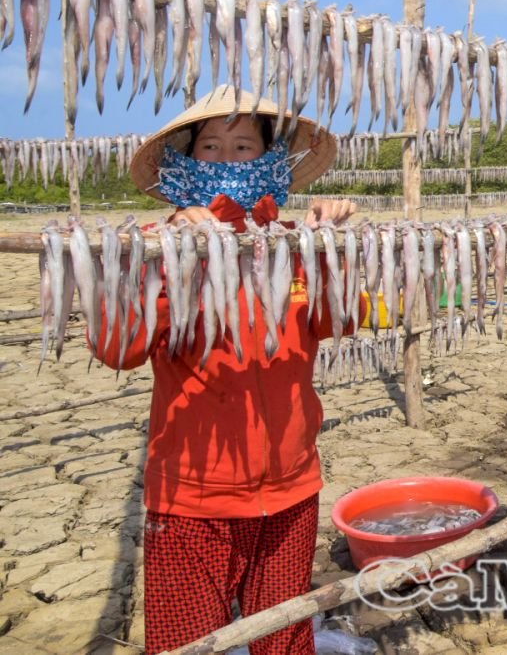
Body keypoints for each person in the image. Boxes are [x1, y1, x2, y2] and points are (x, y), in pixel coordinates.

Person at [91, 87, 367, 654]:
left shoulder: (292, 242)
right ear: (185, 163)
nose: (226, 158)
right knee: (187, 643)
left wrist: (329, 249)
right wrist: (169, 264)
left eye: (244, 146)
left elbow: (341, 321)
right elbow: (118, 350)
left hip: (292, 486)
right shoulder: (155, 246)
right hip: (193, 498)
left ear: (269, 159)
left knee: (283, 640)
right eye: (209, 147)